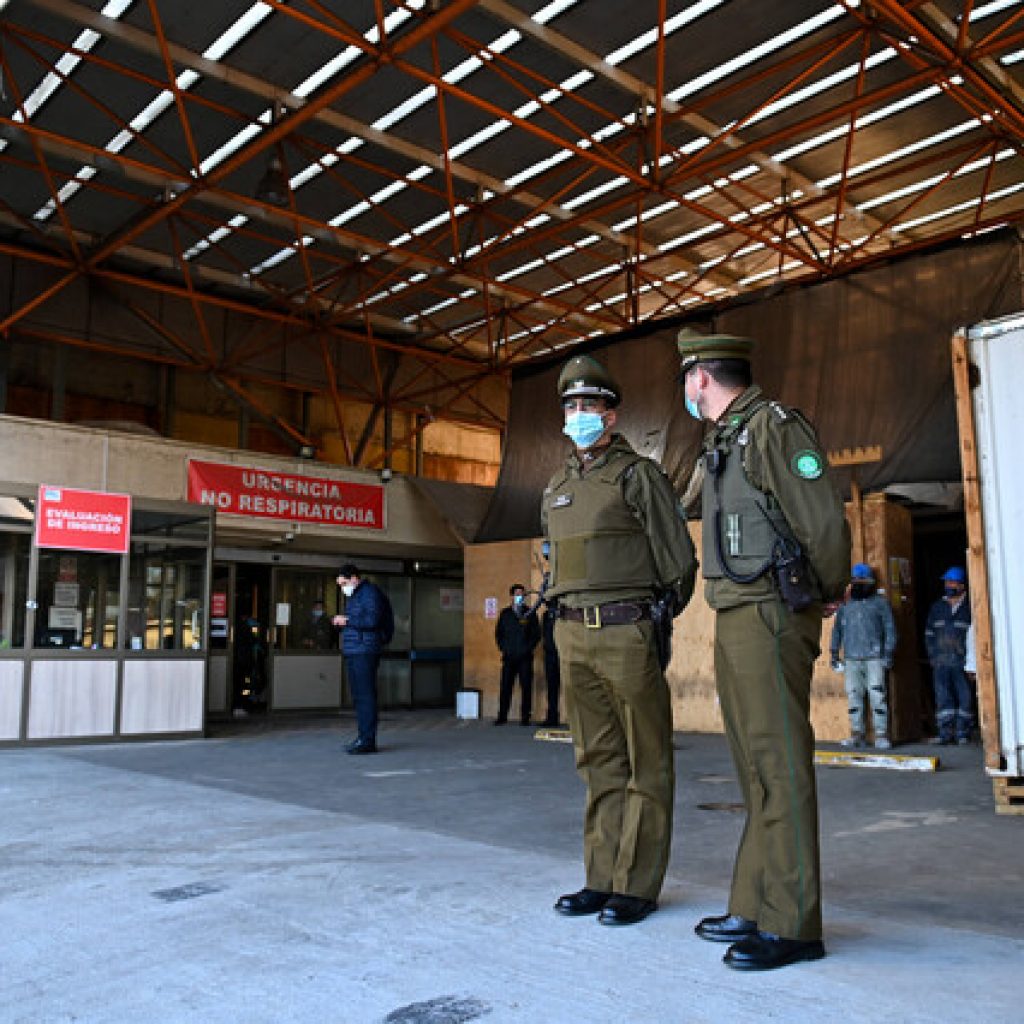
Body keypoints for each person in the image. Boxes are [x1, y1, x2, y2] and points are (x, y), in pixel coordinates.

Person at [678, 328, 850, 971]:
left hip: (774, 612)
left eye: (685, 380)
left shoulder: (775, 428)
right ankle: (753, 902)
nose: (685, 392)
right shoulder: (725, 436)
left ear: (699, 378)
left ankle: (794, 922)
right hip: (737, 613)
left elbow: (822, 517)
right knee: (754, 769)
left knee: (779, 767)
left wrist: (830, 586)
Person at [542, 353, 697, 928]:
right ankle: (600, 878)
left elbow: (679, 561)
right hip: (571, 633)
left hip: (627, 629)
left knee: (646, 760)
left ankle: (636, 885)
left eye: (590, 405)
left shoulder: (639, 476)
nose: (580, 414)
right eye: (572, 406)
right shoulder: (557, 484)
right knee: (596, 759)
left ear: (612, 415)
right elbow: (551, 559)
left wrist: (652, 622)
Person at [830, 563, 897, 750]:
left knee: (877, 696)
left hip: (875, 657)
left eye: (862, 580)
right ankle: (857, 734)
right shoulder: (846, 606)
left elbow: (890, 630)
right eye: (855, 581)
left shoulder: (880, 604)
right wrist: (834, 654)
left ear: (871, 583)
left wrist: (888, 654)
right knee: (854, 697)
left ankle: (881, 735)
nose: (858, 584)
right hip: (851, 658)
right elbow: (837, 631)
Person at [333, 563, 393, 754]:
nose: (342, 588)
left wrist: (347, 621)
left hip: (365, 650)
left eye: (344, 583)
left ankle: (367, 741)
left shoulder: (369, 593)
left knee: (366, 697)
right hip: (355, 649)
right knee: (359, 697)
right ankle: (362, 738)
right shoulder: (356, 595)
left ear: (354, 578)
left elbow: (371, 621)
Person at [924, 566, 973, 745]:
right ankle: (945, 733)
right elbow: (929, 633)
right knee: (943, 697)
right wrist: (932, 655)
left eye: (952, 582)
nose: (948, 585)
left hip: (962, 661)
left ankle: (963, 733)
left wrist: (972, 662)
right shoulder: (938, 607)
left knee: (965, 697)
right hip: (941, 661)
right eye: (947, 582)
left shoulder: (970, 608)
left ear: (962, 585)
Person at [494, 584, 541, 725]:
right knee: (505, 687)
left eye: (522, 594)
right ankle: (502, 716)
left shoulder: (530, 613)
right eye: (517, 594)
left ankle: (525, 717)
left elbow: (536, 635)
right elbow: (498, 634)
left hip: (525, 658)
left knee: (526, 688)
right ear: (512, 596)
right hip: (508, 658)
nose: (519, 596)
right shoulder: (505, 614)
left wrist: (528, 649)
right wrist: (504, 648)